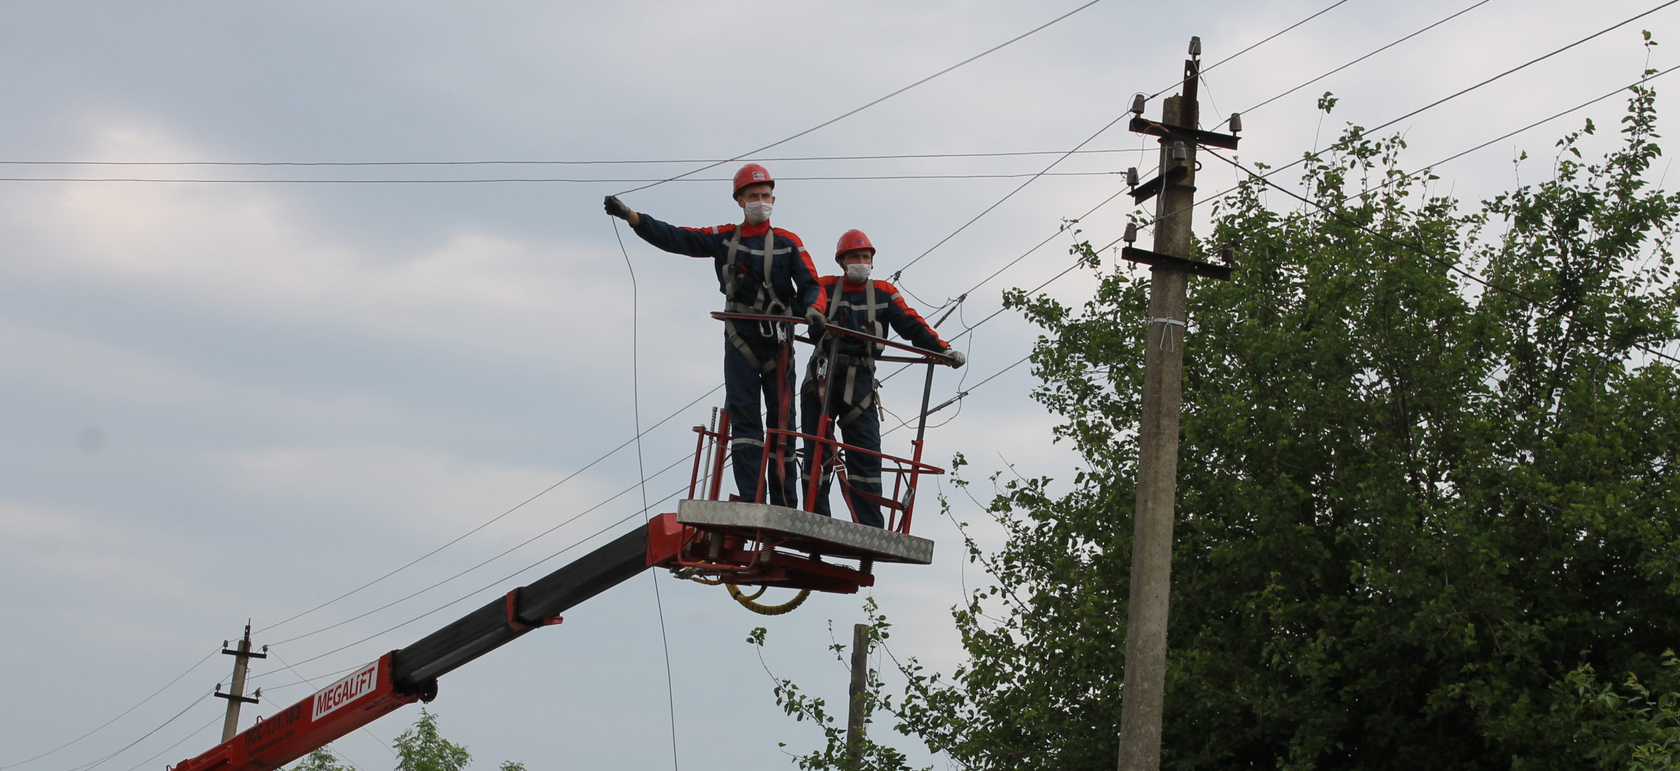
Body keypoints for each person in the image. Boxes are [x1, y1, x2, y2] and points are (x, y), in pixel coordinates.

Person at [603, 164, 824, 508]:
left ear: (773, 199)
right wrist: (633, 218)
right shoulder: (724, 238)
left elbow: (811, 284)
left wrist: (813, 310)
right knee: (746, 423)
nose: (760, 201)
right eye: (753, 196)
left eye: (765, 196)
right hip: (741, 340)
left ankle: (783, 506)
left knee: (783, 425)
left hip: (779, 341)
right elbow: (678, 237)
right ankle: (753, 502)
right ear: (739, 200)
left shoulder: (788, 242)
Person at [801, 228, 964, 528]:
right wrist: (812, 313)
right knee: (816, 449)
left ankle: (869, 525)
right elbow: (806, 300)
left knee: (866, 454)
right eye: (854, 257)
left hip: (860, 381)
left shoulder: (883, 294)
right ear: (841, 261)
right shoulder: (824, 287)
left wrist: (943, 349)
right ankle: (815, 517)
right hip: (822, 378)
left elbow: (912, 324)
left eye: (865, 257)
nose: (861, 261)